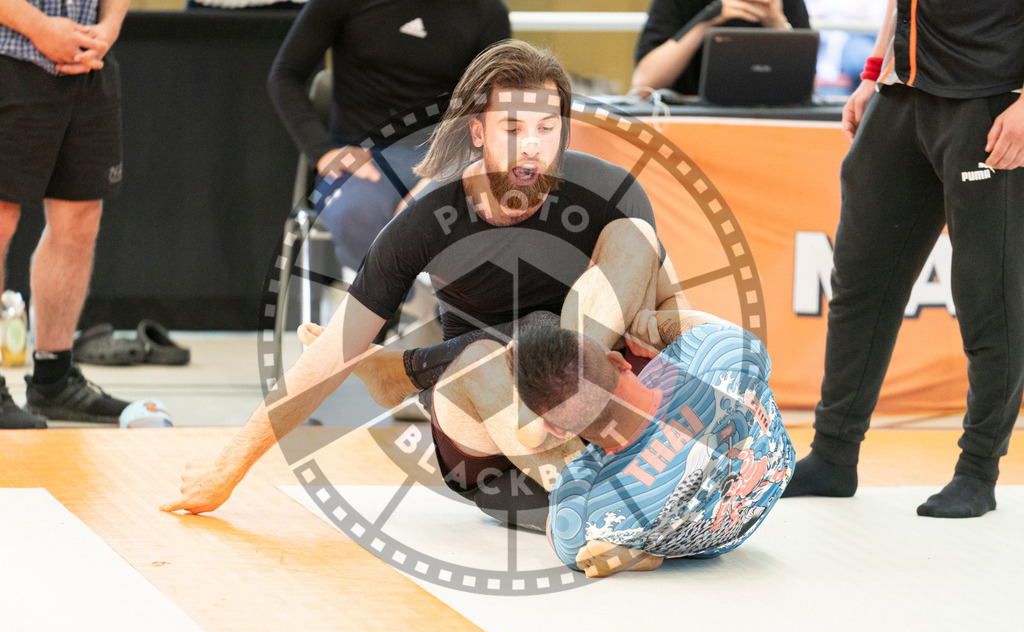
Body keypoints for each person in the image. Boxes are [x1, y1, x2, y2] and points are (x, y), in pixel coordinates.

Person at [163, 39, 688, 515]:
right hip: (495, 439)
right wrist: (225, 469)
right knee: (486, 358)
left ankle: (411, 370)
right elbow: (326, 358)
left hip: (603, 412)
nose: (532, 146)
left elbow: (677, 317)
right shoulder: (426, 221)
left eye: (546, 129)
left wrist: (701, 399)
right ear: (478, 132)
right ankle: (600, 505)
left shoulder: (610, 190)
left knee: (633, 239)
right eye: (513, 129)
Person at [782, 0, 1024, 518]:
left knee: (991, 297)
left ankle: (978, 471)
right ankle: (832, 456)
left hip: (989, 98)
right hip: (903, 93)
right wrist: (874, 74)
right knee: (858, 281)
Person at [510, 311, 793, 577]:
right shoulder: (718, 357)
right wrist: (657, 322)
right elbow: (722, 332)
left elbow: (561, 538)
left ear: (556, 429)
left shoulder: (580, 500)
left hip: (706, 540)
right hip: (773, 469)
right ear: (618, 361)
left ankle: (644, 549)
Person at [267, 0, 510, 285]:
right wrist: (322, 153)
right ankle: (378, 308)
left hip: (446, 156)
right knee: (356, 214)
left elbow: (496, 102)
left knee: (480, 218)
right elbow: (285, 75)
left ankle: (437, 310)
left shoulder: (485, 10)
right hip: (363, 156)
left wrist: (445, 171)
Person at [0, 0, 132, 428]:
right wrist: (37, 26)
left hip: (88, 66)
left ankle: (53, 381)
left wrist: (108, 27)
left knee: (79, 221)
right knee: (0, 221)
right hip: (10, 56)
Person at [632, 0, 810, 96]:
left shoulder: (782, 3)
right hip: (693, 119)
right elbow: (644, 84)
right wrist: (707, 21)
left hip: (770, 118)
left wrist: (777, 24)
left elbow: (810, 85)